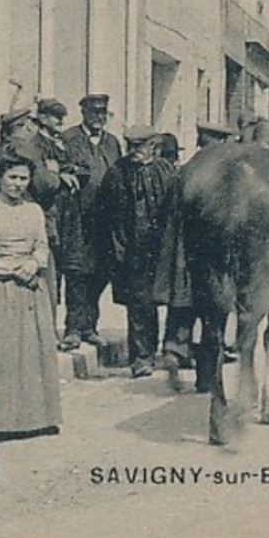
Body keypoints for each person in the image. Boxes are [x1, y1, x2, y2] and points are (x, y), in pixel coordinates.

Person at [0, 155, 62, 437]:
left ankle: (36, 419)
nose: (17, 184)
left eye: (23, 178)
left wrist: (34, 263)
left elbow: (42, 245)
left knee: (32, 353)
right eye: (12, 177)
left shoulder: (34, 210)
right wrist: (8, 268)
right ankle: (1, 422)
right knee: (1, 354)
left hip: (29, 286)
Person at [93, 125, 178, 377]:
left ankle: (173, 351)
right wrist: (116, 248)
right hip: (132, 249)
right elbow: (105, 214)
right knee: (139, 304)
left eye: (139, 147)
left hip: (163, 248)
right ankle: (142, 357)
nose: (133, 152)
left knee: (173, 299)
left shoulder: (166, 171)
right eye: (130, 146)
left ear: (154, 146)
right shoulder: (117, 172)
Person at [58, 95, 123, 351]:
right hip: (77, 217)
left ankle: (90, 327)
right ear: (83, 111)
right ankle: (73, 328)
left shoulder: (112, 142)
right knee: (76, 271)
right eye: (94, 111)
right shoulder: (69, 139)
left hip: (104, 221)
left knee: (100, 272)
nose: (99, 116)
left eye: (103, 112)